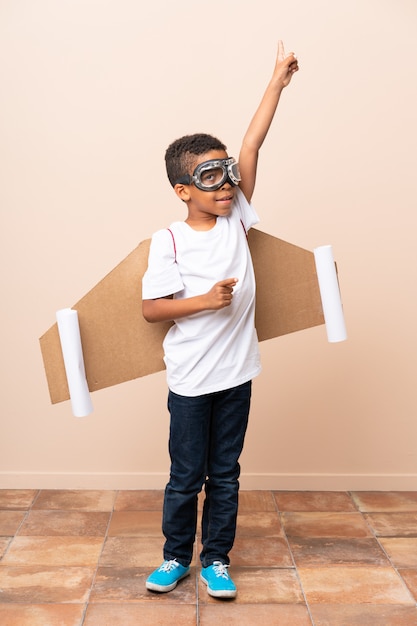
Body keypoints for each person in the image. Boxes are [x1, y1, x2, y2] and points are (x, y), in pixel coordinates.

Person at [142, 40, 299, 599]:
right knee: (186, 476)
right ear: (184, 190)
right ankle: (174, 556)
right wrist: (204, 302)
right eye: (211, 176)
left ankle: (216, 561)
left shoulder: (238, 221)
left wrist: (277, 80)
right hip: (189, 380)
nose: (227, 183)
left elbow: (254, 139)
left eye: (229, 173)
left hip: (236, 374)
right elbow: (151, 309)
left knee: (226, 474)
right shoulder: (169, 242)